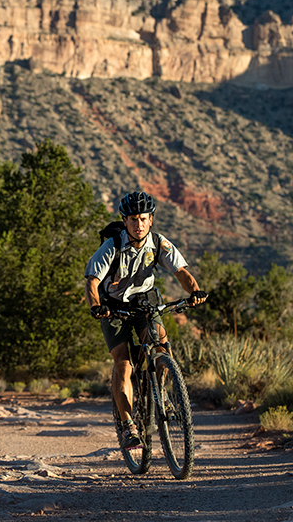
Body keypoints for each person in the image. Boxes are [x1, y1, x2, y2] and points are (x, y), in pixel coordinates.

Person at [84, 191, 206, 449]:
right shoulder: (112, 246)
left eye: (143, 219)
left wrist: (194, 291)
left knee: (161, 345)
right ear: (124, 221)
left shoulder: (158, 243)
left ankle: (160, 393)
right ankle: (129, 425)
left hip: (146, 301)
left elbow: (181, 272)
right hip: (113, 306)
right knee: (124, 363)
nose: (138, 224)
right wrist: (96, 306)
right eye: (132, 219)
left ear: (150, 220)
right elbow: (92, 280)